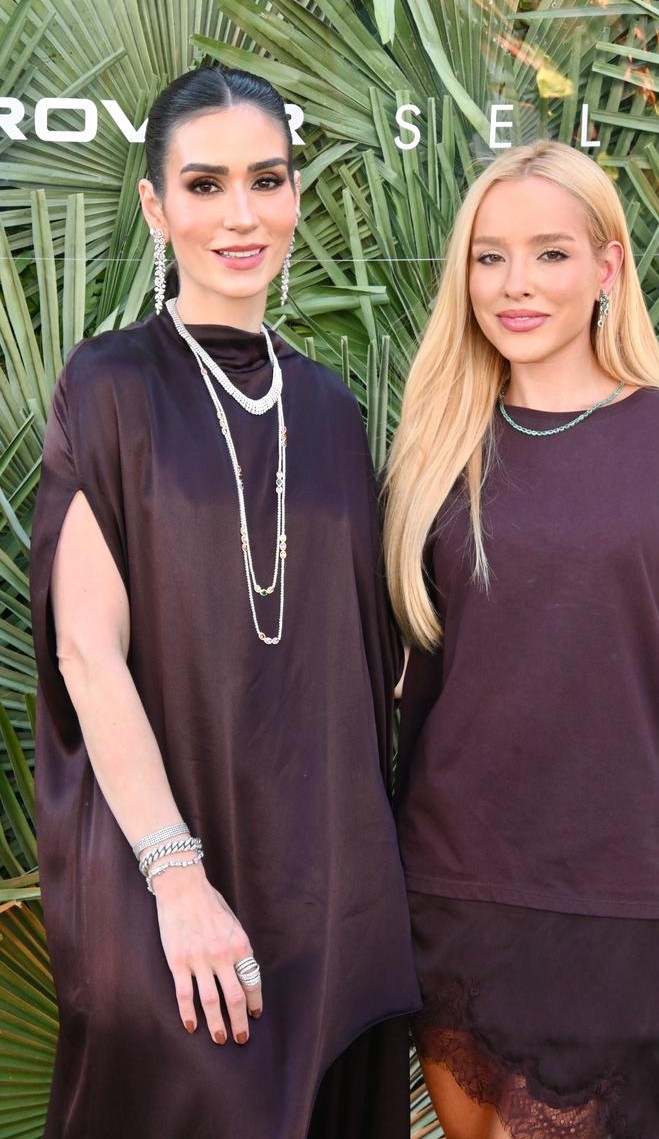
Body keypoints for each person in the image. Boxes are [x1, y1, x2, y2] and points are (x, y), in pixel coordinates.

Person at [30, 66, 419, 1139]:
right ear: (156, 207)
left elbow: (367, 667)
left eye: (266, 180)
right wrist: (178, 882)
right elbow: (87, 652)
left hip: (332, 906)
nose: (241, 215)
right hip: (168, 899)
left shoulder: (333, 409)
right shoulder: (109, 385)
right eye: (204, 185)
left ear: (295, 194)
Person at [384, 140, 659, 1139]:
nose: (515, 284)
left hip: (619, 913)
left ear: (608, 266)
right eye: (489, 257)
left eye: (550, 253)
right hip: (452, 894)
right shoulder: (438, 448)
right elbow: (411, 694)